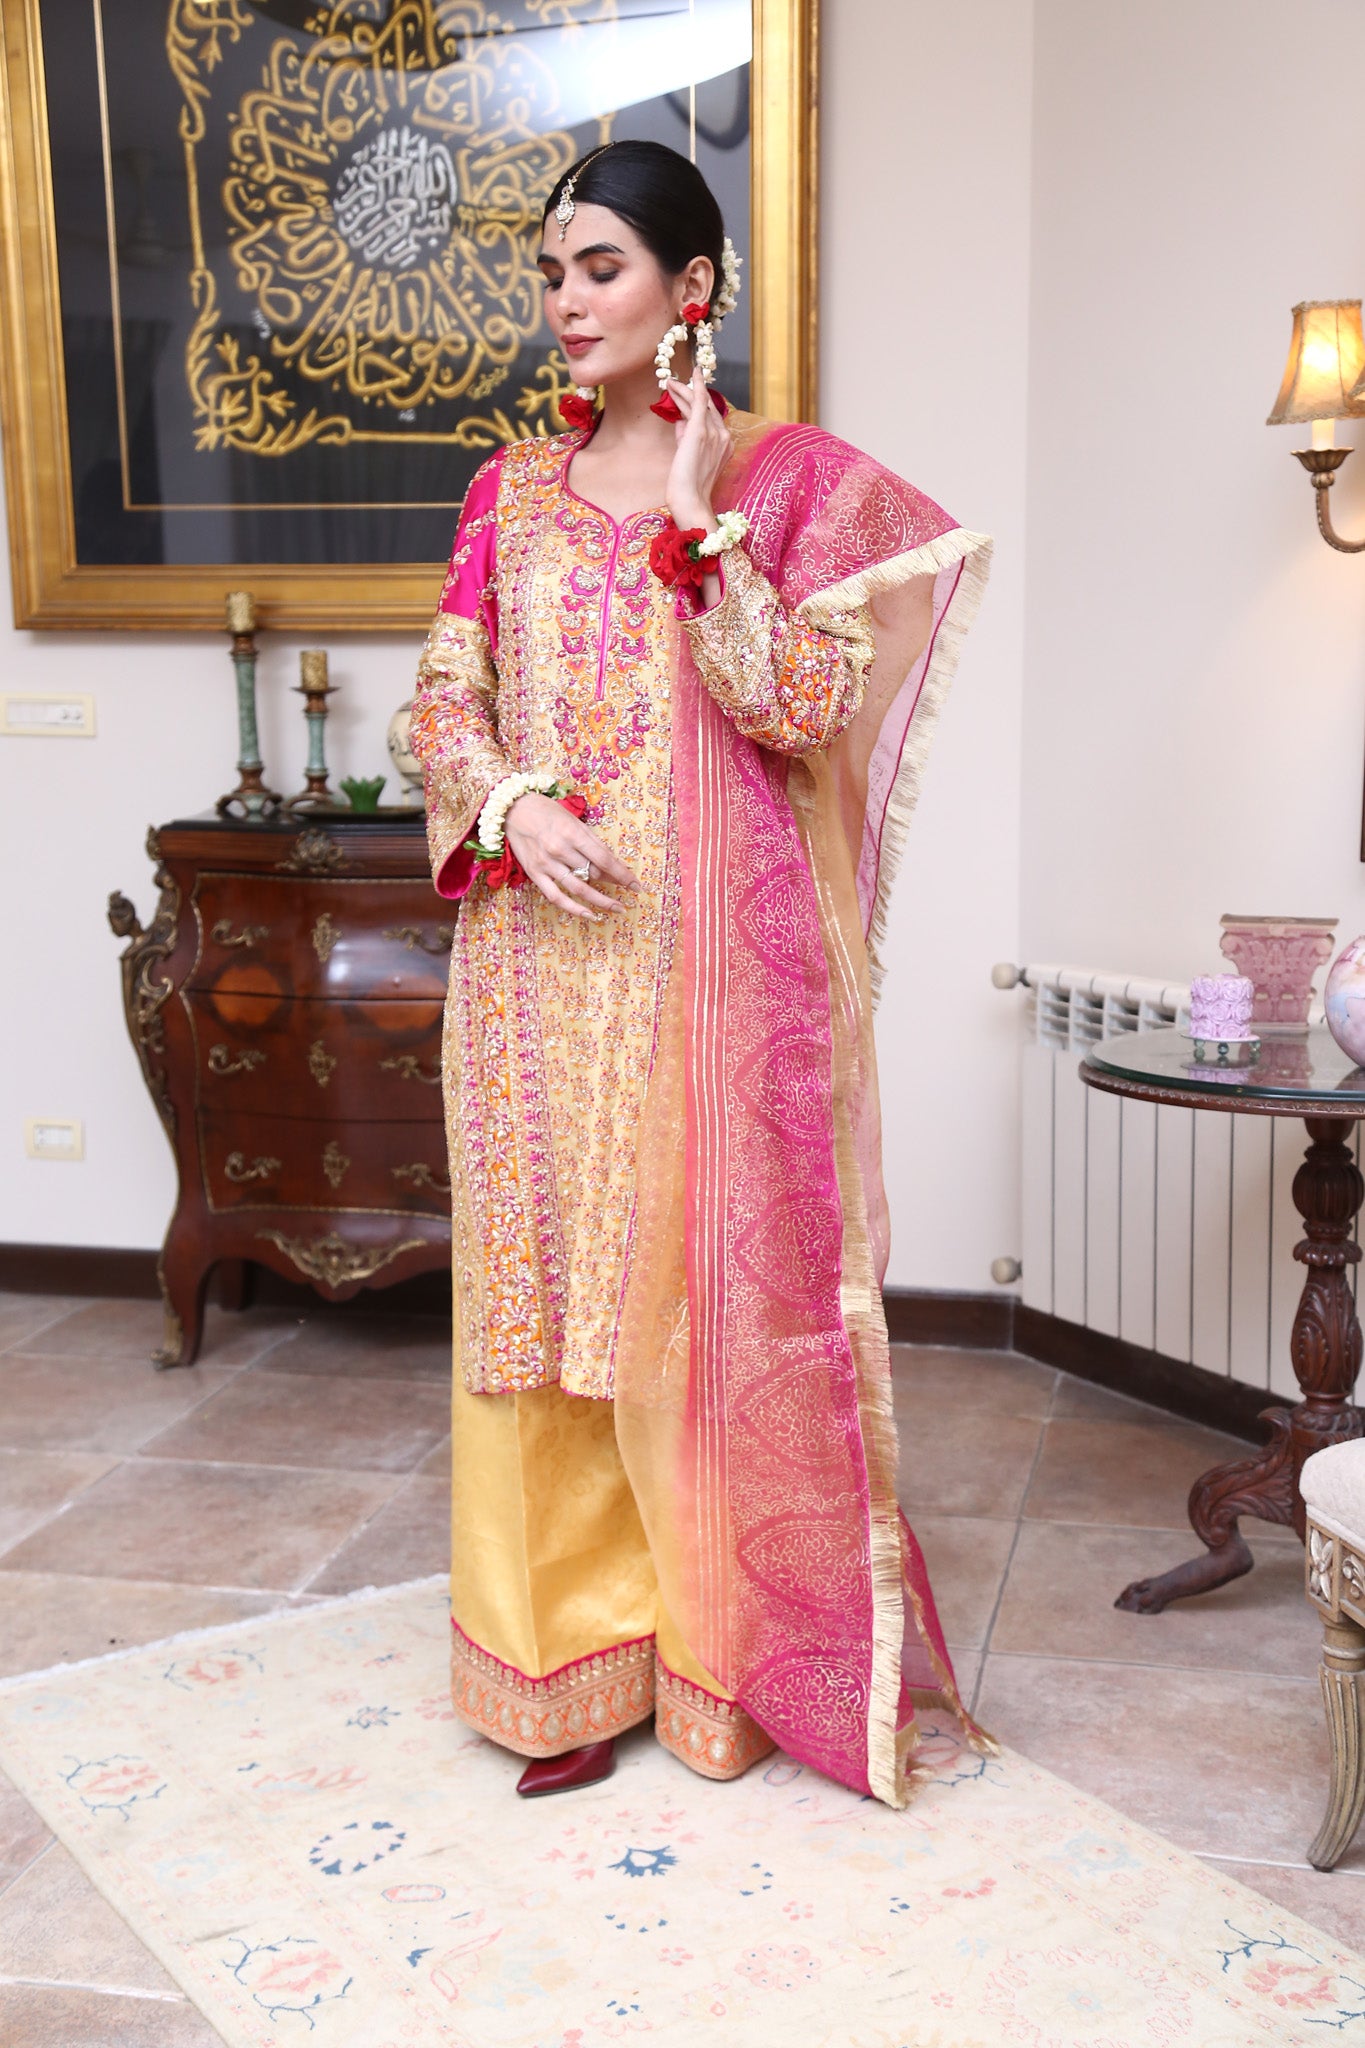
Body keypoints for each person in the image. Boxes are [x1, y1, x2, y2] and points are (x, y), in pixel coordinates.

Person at [409, 139, 992, 1807]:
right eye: (550, 271)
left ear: (690, 287)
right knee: (539, 1304)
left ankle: (712, 1657)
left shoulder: (781, 484)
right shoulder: (506, 492)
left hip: (699, 977)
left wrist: (696, 526)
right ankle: (557, 1668)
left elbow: (800, 709)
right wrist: (514, 809)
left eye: (599, 266)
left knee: (687, 1300)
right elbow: (444, 702)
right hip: (530, 967)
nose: (566, 298)